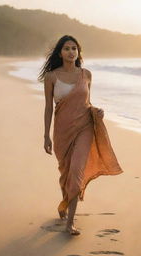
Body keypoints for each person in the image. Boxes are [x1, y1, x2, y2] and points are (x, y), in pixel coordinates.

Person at [38, 35, 124, 236]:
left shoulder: (86, 75)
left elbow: (87, 103)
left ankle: (70, 223)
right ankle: (65, 203)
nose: (71, 52)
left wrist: (98, 112)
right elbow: (48, 108)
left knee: (76, 172)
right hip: (62, 131)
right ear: (60, 53)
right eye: (66, 48)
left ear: (78, 52)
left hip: (85, 128)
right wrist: (45, 135)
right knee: (66, 172)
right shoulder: (51, 77)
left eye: (74, 48)